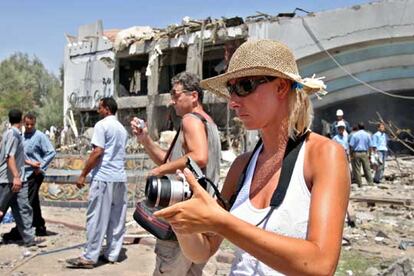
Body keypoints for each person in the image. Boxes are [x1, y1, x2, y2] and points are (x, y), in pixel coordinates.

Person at [154, 40, 350, 275]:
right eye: (231, 89)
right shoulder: (241, 166)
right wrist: (181, 222)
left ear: (281, 87)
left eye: (245, 86)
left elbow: (320, 265)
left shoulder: (324, 155)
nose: (234, 102)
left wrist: (221, 222)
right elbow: (203, 250)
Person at [130, 71, 221, 276]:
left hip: (184, 219)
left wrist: (159, 171)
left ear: (194, 96)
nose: (172, 101)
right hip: (205, 216)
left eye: (176, 94)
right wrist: (145, 140)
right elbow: (173, 162)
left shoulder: (190, 120)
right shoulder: (209, 124)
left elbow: (198, 156)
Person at [66, 97, 128, 268]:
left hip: (104, 177)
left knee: (97, 218)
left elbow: (97, 151)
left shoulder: (102, 125)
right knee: (117, 218)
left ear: (107, 109)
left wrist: (83, 174)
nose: (97, 110)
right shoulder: (122, 129)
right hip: (120, 178)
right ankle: (113, 253)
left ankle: (89, 257)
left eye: (99, 107)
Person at [2, 112, 56, 240]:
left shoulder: (40, 136)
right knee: (32, 200)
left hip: (34, 174)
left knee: (27, 202)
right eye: (27, 124)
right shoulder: (20, 136)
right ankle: (39, 225)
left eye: (32, 124)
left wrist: (40, 166)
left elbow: (51, 152)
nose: (30, 126)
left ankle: (20, 231)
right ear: (23, 123)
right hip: (23, 173)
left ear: (35, 123)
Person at [0, 109, 42, 247]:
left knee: (23, 208)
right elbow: (10, 157)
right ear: (22, 120)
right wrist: (16, 177)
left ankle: (29, 238)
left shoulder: (14, 134)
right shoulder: (13, 135)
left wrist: (30, 163)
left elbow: (18, 157)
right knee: (1, 210)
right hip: (9, 180)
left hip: (18, 179)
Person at [349, 122, 374, 186]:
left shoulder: (354, 135)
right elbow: (370, 146)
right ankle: (370, 182)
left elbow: (351, 146)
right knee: (367, 168)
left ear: (358, 127)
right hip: (364, 153)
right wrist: (370, 155)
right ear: (364, 127)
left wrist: (351, 154)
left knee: (357, 169)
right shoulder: (368, 135)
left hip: (356, 153)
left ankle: (359, 184)